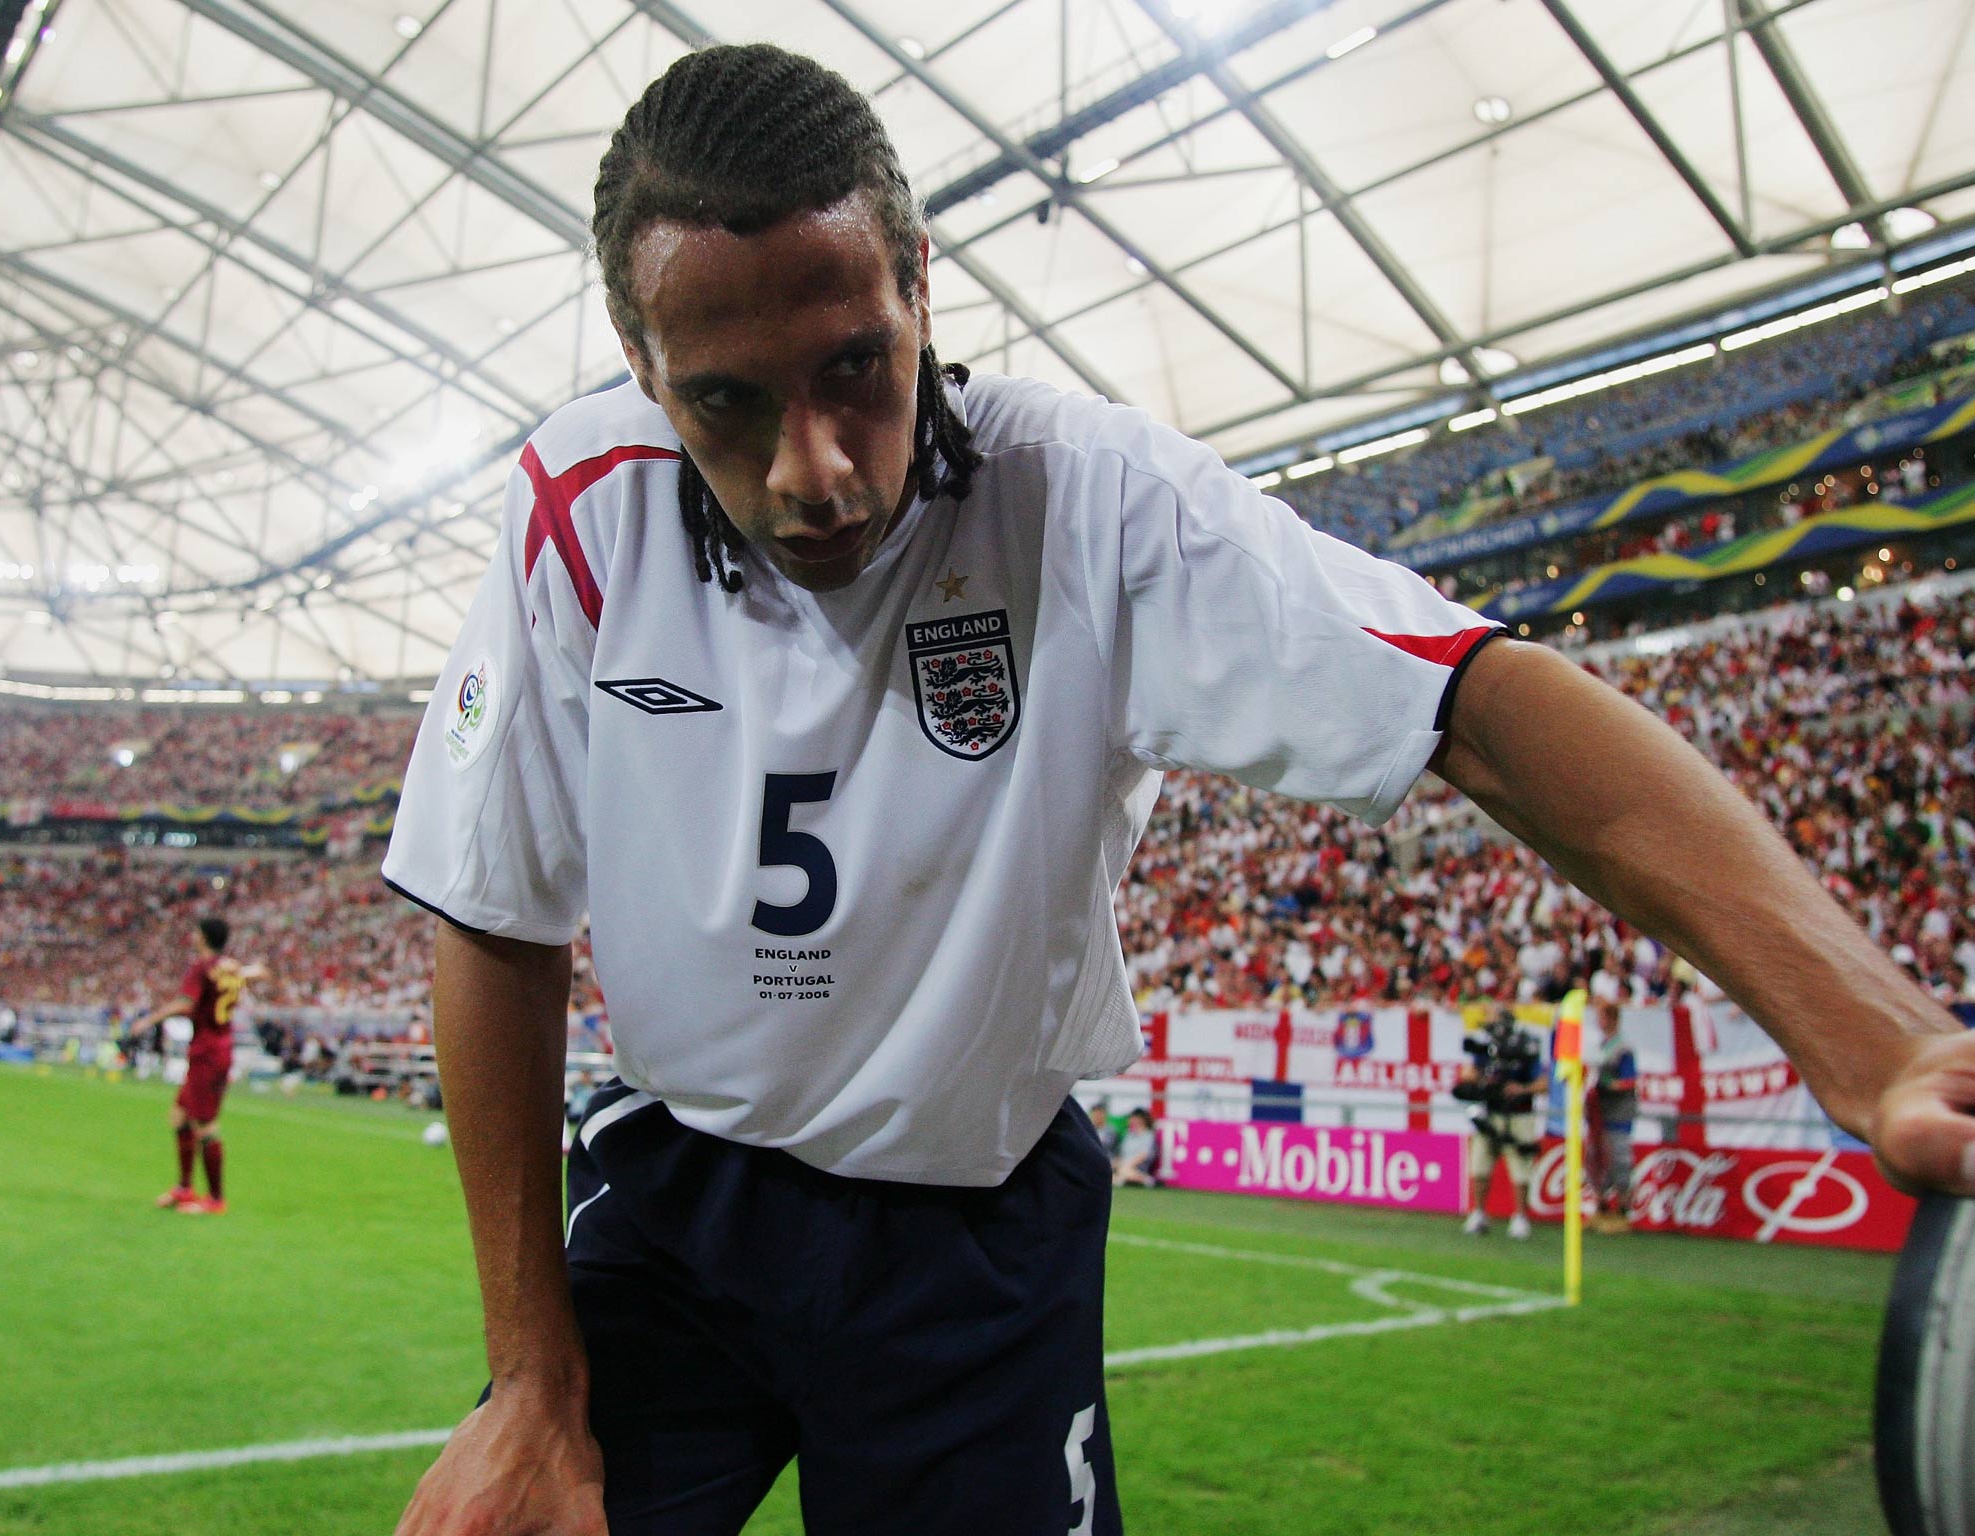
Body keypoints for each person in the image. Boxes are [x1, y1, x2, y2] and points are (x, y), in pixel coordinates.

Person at [382, 43, 1975, 1536]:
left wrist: (1876, 1035)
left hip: (971, 1236)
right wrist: (533, 1378)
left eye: (856, 365)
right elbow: (493, 912)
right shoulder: (578, 511)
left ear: (923, 285)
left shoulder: (1087, 502)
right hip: (683, 1201)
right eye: (728, 399)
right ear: (641, 371)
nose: (819, 468)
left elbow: (1482, 705)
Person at [128, 916, 259, 1215]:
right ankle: (185, 1189)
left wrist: (149, 1019)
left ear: (202, 937)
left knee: (205, 1124)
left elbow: (186, 1004)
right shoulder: (229, 967)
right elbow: (252, 974)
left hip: (209, 1051)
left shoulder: (202, 968)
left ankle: (215, 1199)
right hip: (213, 1047)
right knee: (179, 1116)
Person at [1454, 1011, 1551, 1239]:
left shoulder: (1525, 1049)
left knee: (1520, 1167)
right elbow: (1467, 1073)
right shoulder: (1487, 1050)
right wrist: (1483, 1083)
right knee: (1479, 1165)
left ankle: (1519, 1217)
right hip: (1491, 1113)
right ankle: (1478, 1213)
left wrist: (1522, 1089)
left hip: (1519, 1114)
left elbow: (1544, 1083)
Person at [1586, 1000, 1640, 1233]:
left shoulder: (1623, 1048)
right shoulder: (1600, 1045)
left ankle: (1623, 1210)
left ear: (1612, 1019)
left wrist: (1607, 1084)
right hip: (1599, 1112)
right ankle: (1601, 1207)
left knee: (1619, 1158)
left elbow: (1630, 1081)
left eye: (1602, 1016)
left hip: (1618, 1112)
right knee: (1596, 1158)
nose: (1599, 1021)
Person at [1112, 1109, 1160, 1189]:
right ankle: (1128, 1180)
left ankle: (1144, 1179)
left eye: (1133, 1118)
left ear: (1142, 1120)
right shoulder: (1129, 1135)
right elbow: (1122, 1154)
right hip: (1124, 1165)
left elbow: (1144, 1155)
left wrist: (1128, 1164)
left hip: (1139, 1166)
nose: (1131, 1120)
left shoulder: (1148, 1135)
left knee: (1124, 1170)